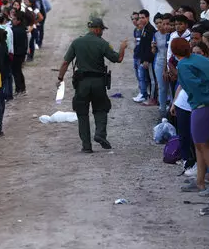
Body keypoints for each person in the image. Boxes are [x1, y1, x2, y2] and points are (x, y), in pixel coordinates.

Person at [57, 18, 128, 153]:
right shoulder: (102, 43)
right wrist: (122, 48)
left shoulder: (77, 42)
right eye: (101, 30)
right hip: (98, 83)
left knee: (82, 114)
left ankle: (86, 146)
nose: (102, 32)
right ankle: (100, 134)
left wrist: (60, 78)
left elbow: (66, 62)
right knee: (101, 109)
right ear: (96, 29)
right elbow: (118, 58)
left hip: (82, 84)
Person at [171, 38, 209, 197]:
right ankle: (200, 181)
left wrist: (208, 100)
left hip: (201, 105)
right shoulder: (200, 58)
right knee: (200, 145)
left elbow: (194, 87)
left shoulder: (183, 65)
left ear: (174, 53)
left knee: (203, 146)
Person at [133, 9, 156, 104]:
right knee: (144, 77)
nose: (141, 19)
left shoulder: (150, 29)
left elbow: (148, 47)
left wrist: (146, 60)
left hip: (148, 59)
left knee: (151, 79)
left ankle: (150, 98)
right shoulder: (144, 28)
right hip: (143, 58)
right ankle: (146, 95)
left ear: (147, 17)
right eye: (140, 18)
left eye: (143, 17)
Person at [151, 13, 172, 115]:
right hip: (159, 62)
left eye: (162, 23)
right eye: (158, 23)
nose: (161, 25)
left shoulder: (170, 34)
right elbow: (154, 51)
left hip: (169, 62)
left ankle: (172, 109)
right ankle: (162, 110)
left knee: (171, 88)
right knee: (162, 87)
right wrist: (153, 48)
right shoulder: (155, 35)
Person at [11, 11, 28, 95]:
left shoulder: (14, 30)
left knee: (16, 71)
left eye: (14, 19)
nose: (12, 20)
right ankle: (22, 87)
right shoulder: (23, 29)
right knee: (18, 71)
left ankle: (18, 89)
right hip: (21, 53)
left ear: (18, 21)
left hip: (16, 54)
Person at [131, 12, 143, 100]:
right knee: (138, 75)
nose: (134, 21)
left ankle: (144, 93)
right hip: (136, 55)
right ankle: (141, 92)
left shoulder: (144, 30)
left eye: (136, 18)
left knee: (142, 75)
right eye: (132, 19)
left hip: (141, 57)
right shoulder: (135, 30)